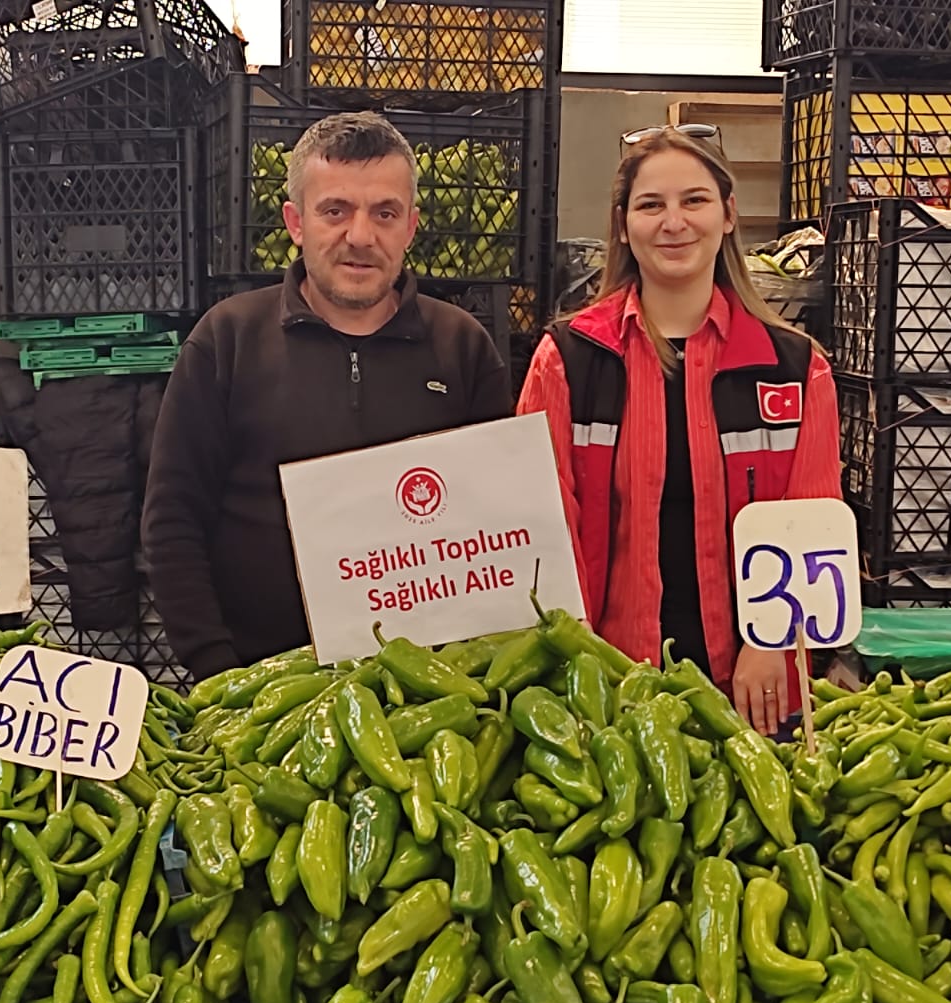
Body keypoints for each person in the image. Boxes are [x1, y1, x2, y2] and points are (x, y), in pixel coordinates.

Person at [142, 111, 512, 681]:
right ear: (295, 222)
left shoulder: (464, 348)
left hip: (424, 698)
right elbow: (172, 520)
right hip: (259, 692)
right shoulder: (226, 339)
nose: (360, 237)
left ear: (411, 227)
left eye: (384, 213)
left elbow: (494, 527)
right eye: (334, 211)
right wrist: (217, 672)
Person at [516, 127, 842, 735]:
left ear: (727, 216)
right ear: (622, 225)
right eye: (650, 205)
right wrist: (576, 664)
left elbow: (812, 522)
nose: (674, 222)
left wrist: (771, 641)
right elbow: (538, 531)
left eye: (694, 201)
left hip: (754, 686)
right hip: (606, 687)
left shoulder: (795, 368)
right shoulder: (567, 360)